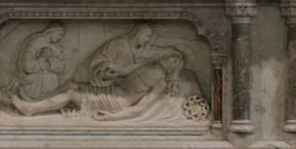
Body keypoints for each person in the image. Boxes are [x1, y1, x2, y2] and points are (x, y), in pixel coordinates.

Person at [11, 48, 206, 123]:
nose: (169, 57)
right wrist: (109, 73)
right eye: (170, 55)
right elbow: (123, 73)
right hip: (111, 91)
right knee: (72, 85)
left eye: (174, 59)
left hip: (116, 103)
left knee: (71, 93)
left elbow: (140, 108)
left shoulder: (161, 82)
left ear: (174, 67)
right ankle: (36, 101)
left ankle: (30, 109)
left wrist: (111, 118)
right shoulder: (149, 65)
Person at [85, 23, 171, 87]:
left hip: (112, 75)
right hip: (98, 73)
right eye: (147, 36)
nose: (148, 40)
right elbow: (122, 70)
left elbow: (153, 51)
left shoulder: (134, 47)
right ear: (139, 34)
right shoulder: (122, 45)